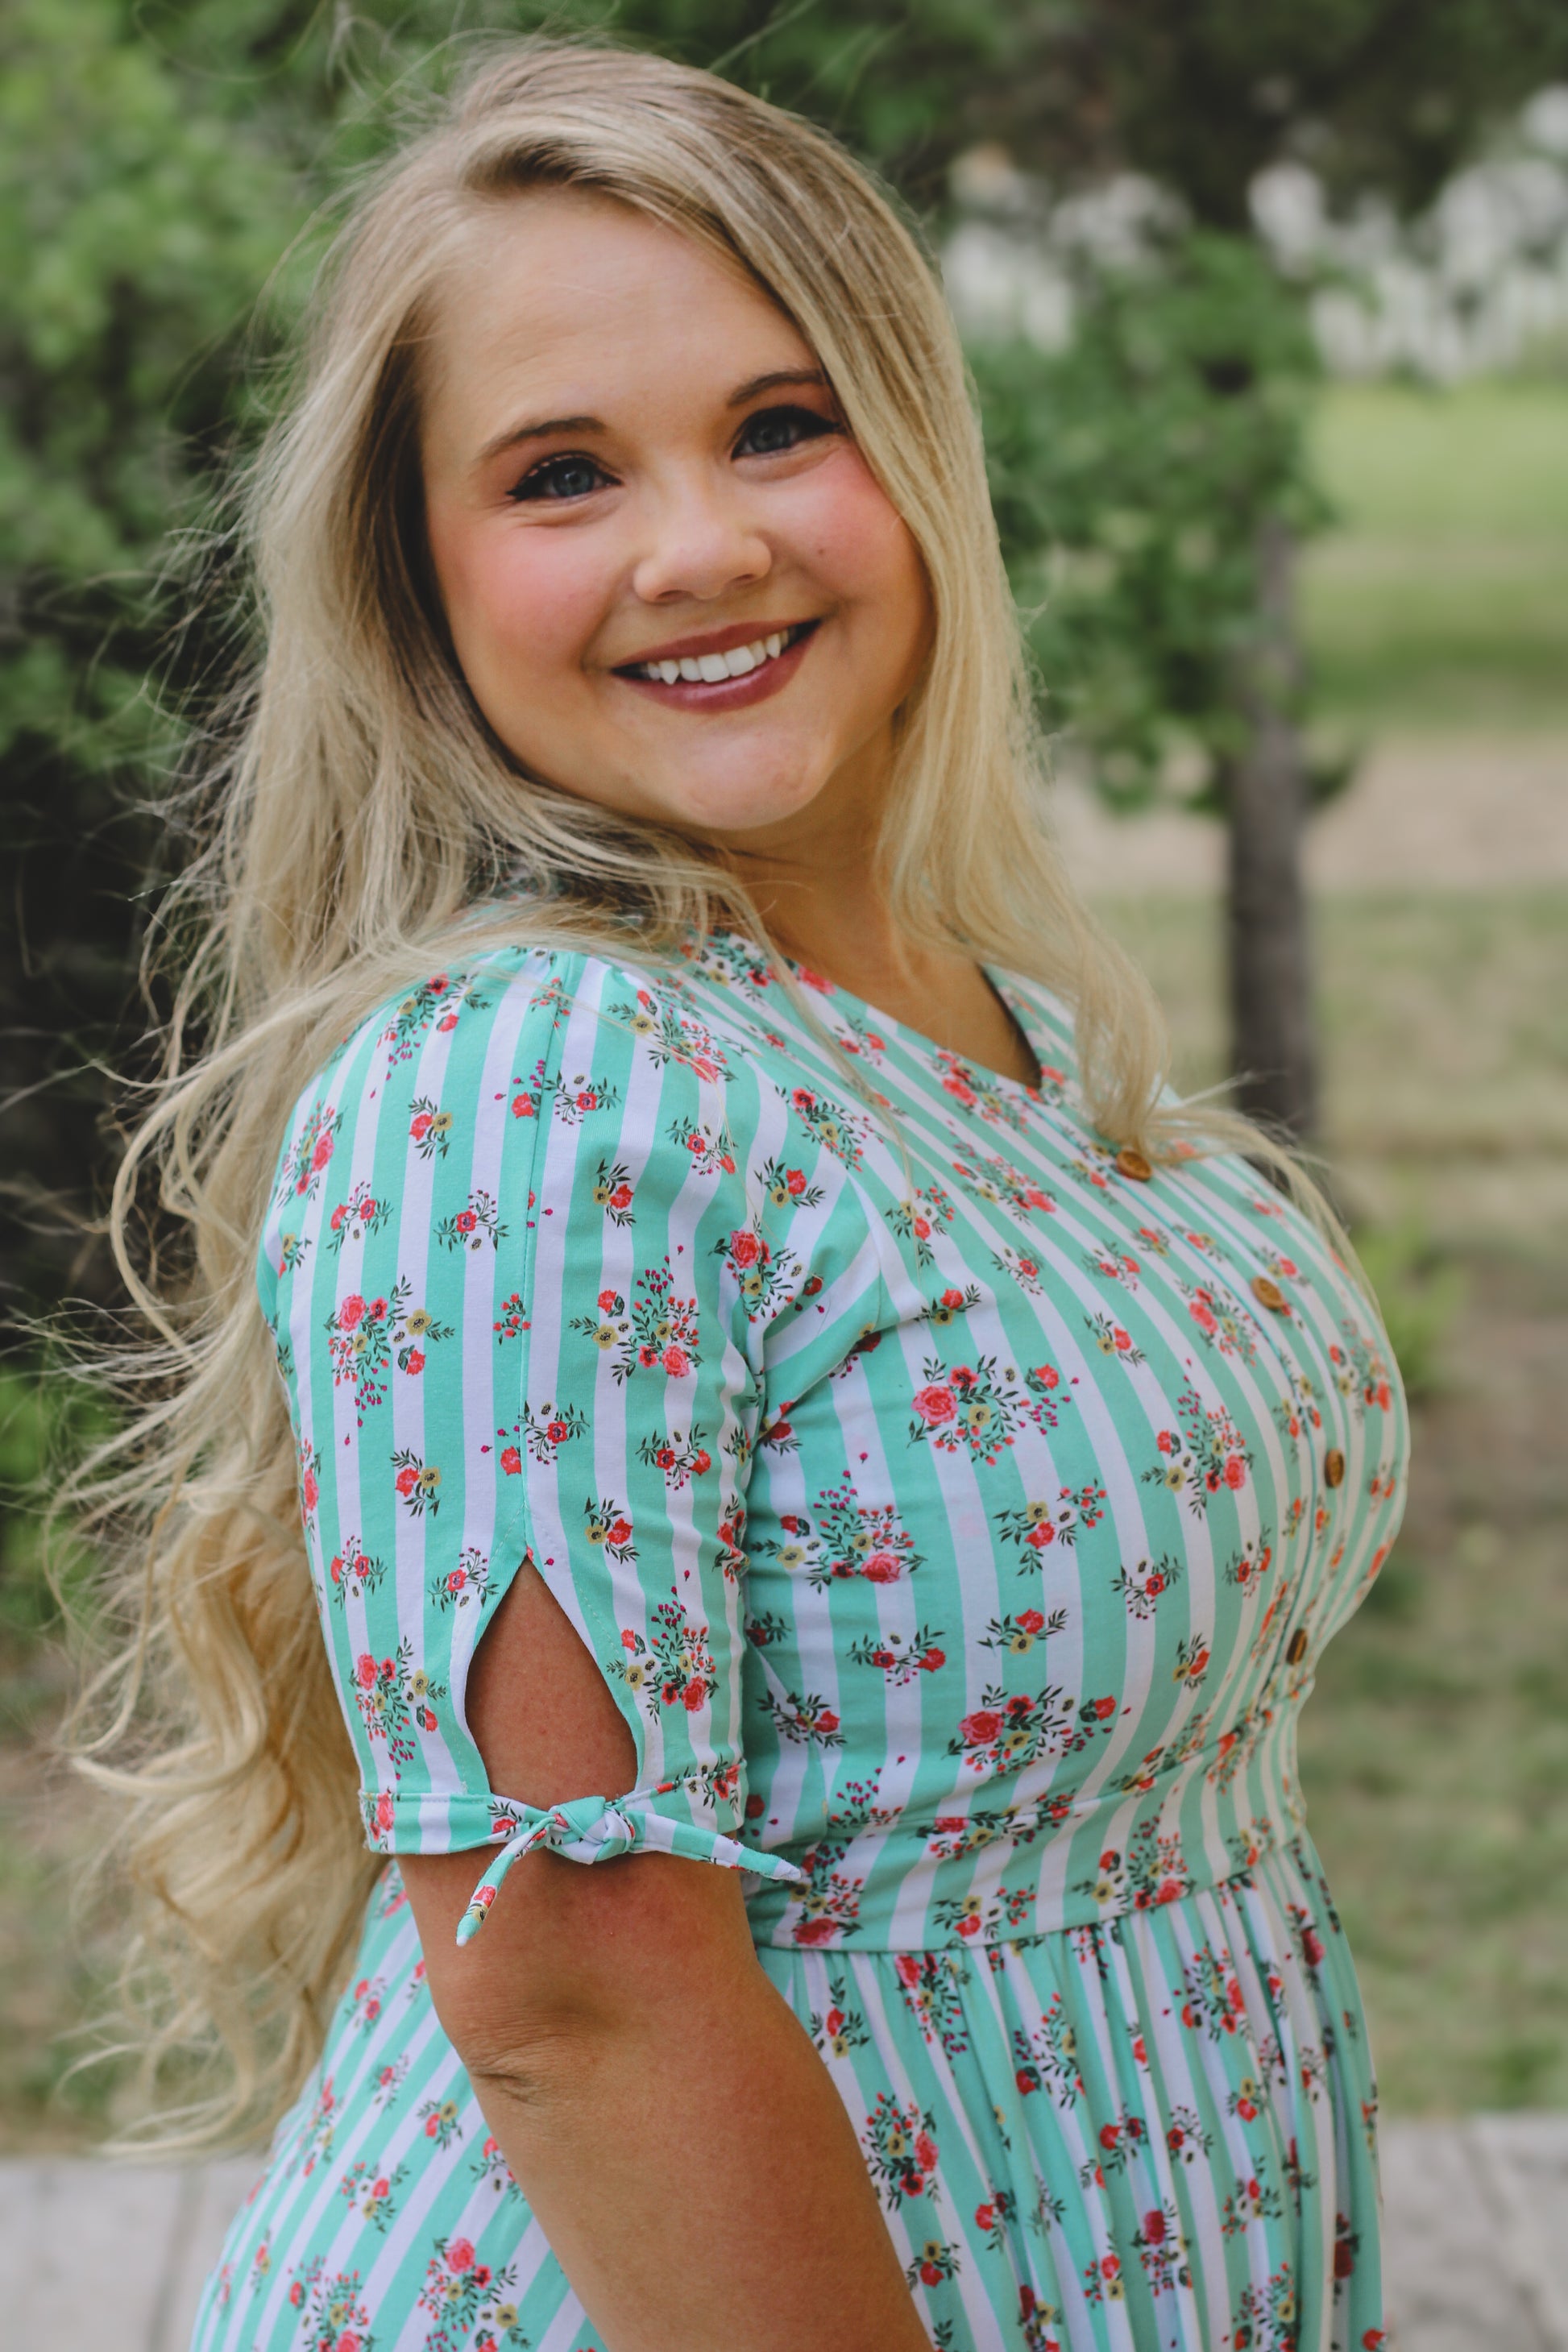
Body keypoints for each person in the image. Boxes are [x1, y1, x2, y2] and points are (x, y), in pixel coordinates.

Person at [88, 39, 1407, 2352]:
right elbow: (571, 1988)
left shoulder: (981, 1015)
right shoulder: (537, 1080)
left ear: (912, 454)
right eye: (562, 474)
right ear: (423, 584)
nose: (699, 546)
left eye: (777, 424)